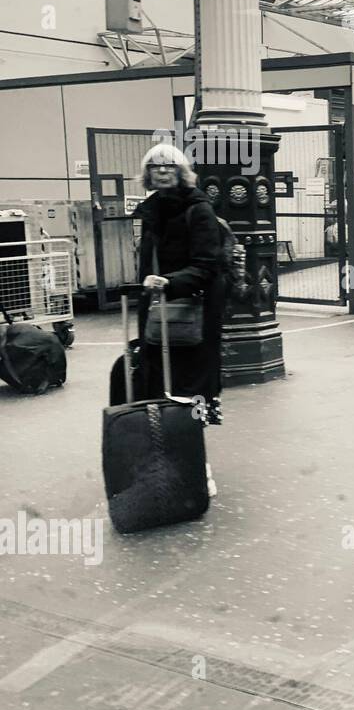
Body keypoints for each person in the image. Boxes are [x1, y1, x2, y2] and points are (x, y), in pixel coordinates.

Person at [133, 143, 226, 496]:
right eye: (154, 165)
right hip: (157, 312)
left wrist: (171, 283)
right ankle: (166, 464)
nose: (161, 169)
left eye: (169, 164)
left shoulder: (197, 209)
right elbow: (147, 262)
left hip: (194, 314)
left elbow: (208, 264)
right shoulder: (152, 209)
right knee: (158, 390)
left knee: (190, 395)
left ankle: (199, 468)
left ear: (181, 169)